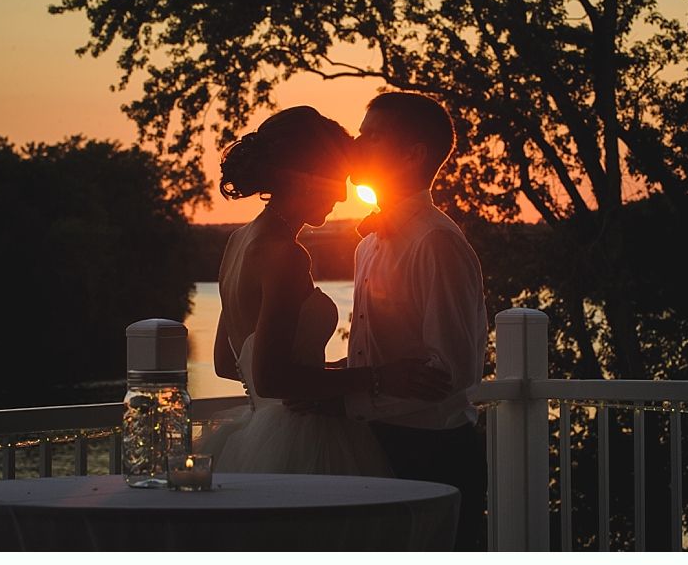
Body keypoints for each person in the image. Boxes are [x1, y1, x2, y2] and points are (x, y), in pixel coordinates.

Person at [197, 105, 451, 476]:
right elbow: (272, 379)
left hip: (258, 435)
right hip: (302, 441)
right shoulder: (286, 255)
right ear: (308, 176)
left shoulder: (238, 240)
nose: (344, 196)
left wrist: (327, 372)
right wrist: (379, 377)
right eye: (338, 178)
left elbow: (226, 362)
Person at [346, 92, 489, 550]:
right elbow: (370, 354)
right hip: (375, 445)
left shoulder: (436, 243)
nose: (356, 144)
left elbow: (452, 371)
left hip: (433, 451)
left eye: (373, 137)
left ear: (413, 154)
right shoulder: (366, 245)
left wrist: (348, 400)